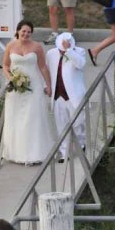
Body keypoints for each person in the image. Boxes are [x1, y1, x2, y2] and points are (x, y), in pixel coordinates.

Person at [1, 20, 53, 165]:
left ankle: (34, 153)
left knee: (33, 118)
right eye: (23, 31)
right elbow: (5, 65)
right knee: (16, 117)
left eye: (29, 32)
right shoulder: (10, 46)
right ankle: (16, 152)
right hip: (15, 87)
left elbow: (42, 67)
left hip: (34, 86)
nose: (26, 34)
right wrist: (11, 78)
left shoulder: (36, 47)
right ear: (18, 31)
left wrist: (48, 85)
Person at [47, 32, 86, 163]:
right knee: (61, 124)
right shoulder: (51, 54)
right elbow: (47, 70)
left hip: (74, 94)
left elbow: (80, 64)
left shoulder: (79, 52)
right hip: (58, 95)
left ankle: (81, 144)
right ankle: (64, 153)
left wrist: (69, 51)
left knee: (78, 123)